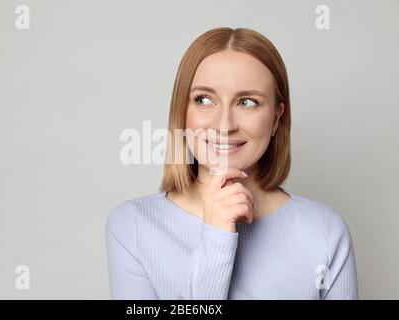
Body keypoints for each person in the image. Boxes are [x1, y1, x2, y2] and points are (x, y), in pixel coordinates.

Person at [106, 27, 358, 299]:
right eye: (204, 99)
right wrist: (216, 238)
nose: (224, 126)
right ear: (182, 109)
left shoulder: (325, 231)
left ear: (276, 118)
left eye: (247, 102)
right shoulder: (133, 226)